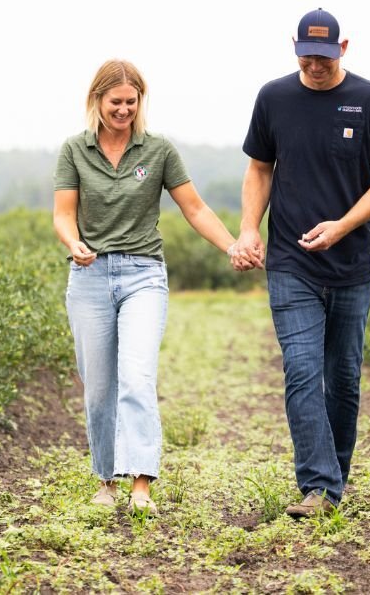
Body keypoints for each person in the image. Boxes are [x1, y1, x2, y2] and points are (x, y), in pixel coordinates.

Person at [54, 59, 255, 515]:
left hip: (143, 273)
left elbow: (195, 208)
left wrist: (230, 246)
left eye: (131, 102)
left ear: (140, 101)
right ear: (97, 101)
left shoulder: (159, 150)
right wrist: (74, 243)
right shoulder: (74, 150)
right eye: (115, 103)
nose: (123, 110)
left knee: (138, 376)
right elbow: (63, 214)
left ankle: (141, 483)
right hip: (89, 276)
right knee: (99, 386)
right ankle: (105, 480)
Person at [231, 8, 370, 518]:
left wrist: (343, 226)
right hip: (290, 261)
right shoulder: (274, 98)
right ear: (294, 47)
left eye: (325, 58)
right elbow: (260, 169)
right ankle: (320, 488)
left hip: (352, 264)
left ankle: (333, 481)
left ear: (343, 49)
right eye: (307, 56)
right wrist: (247, 229)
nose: (315, 66)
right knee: (303, 371)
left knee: (343, 377)